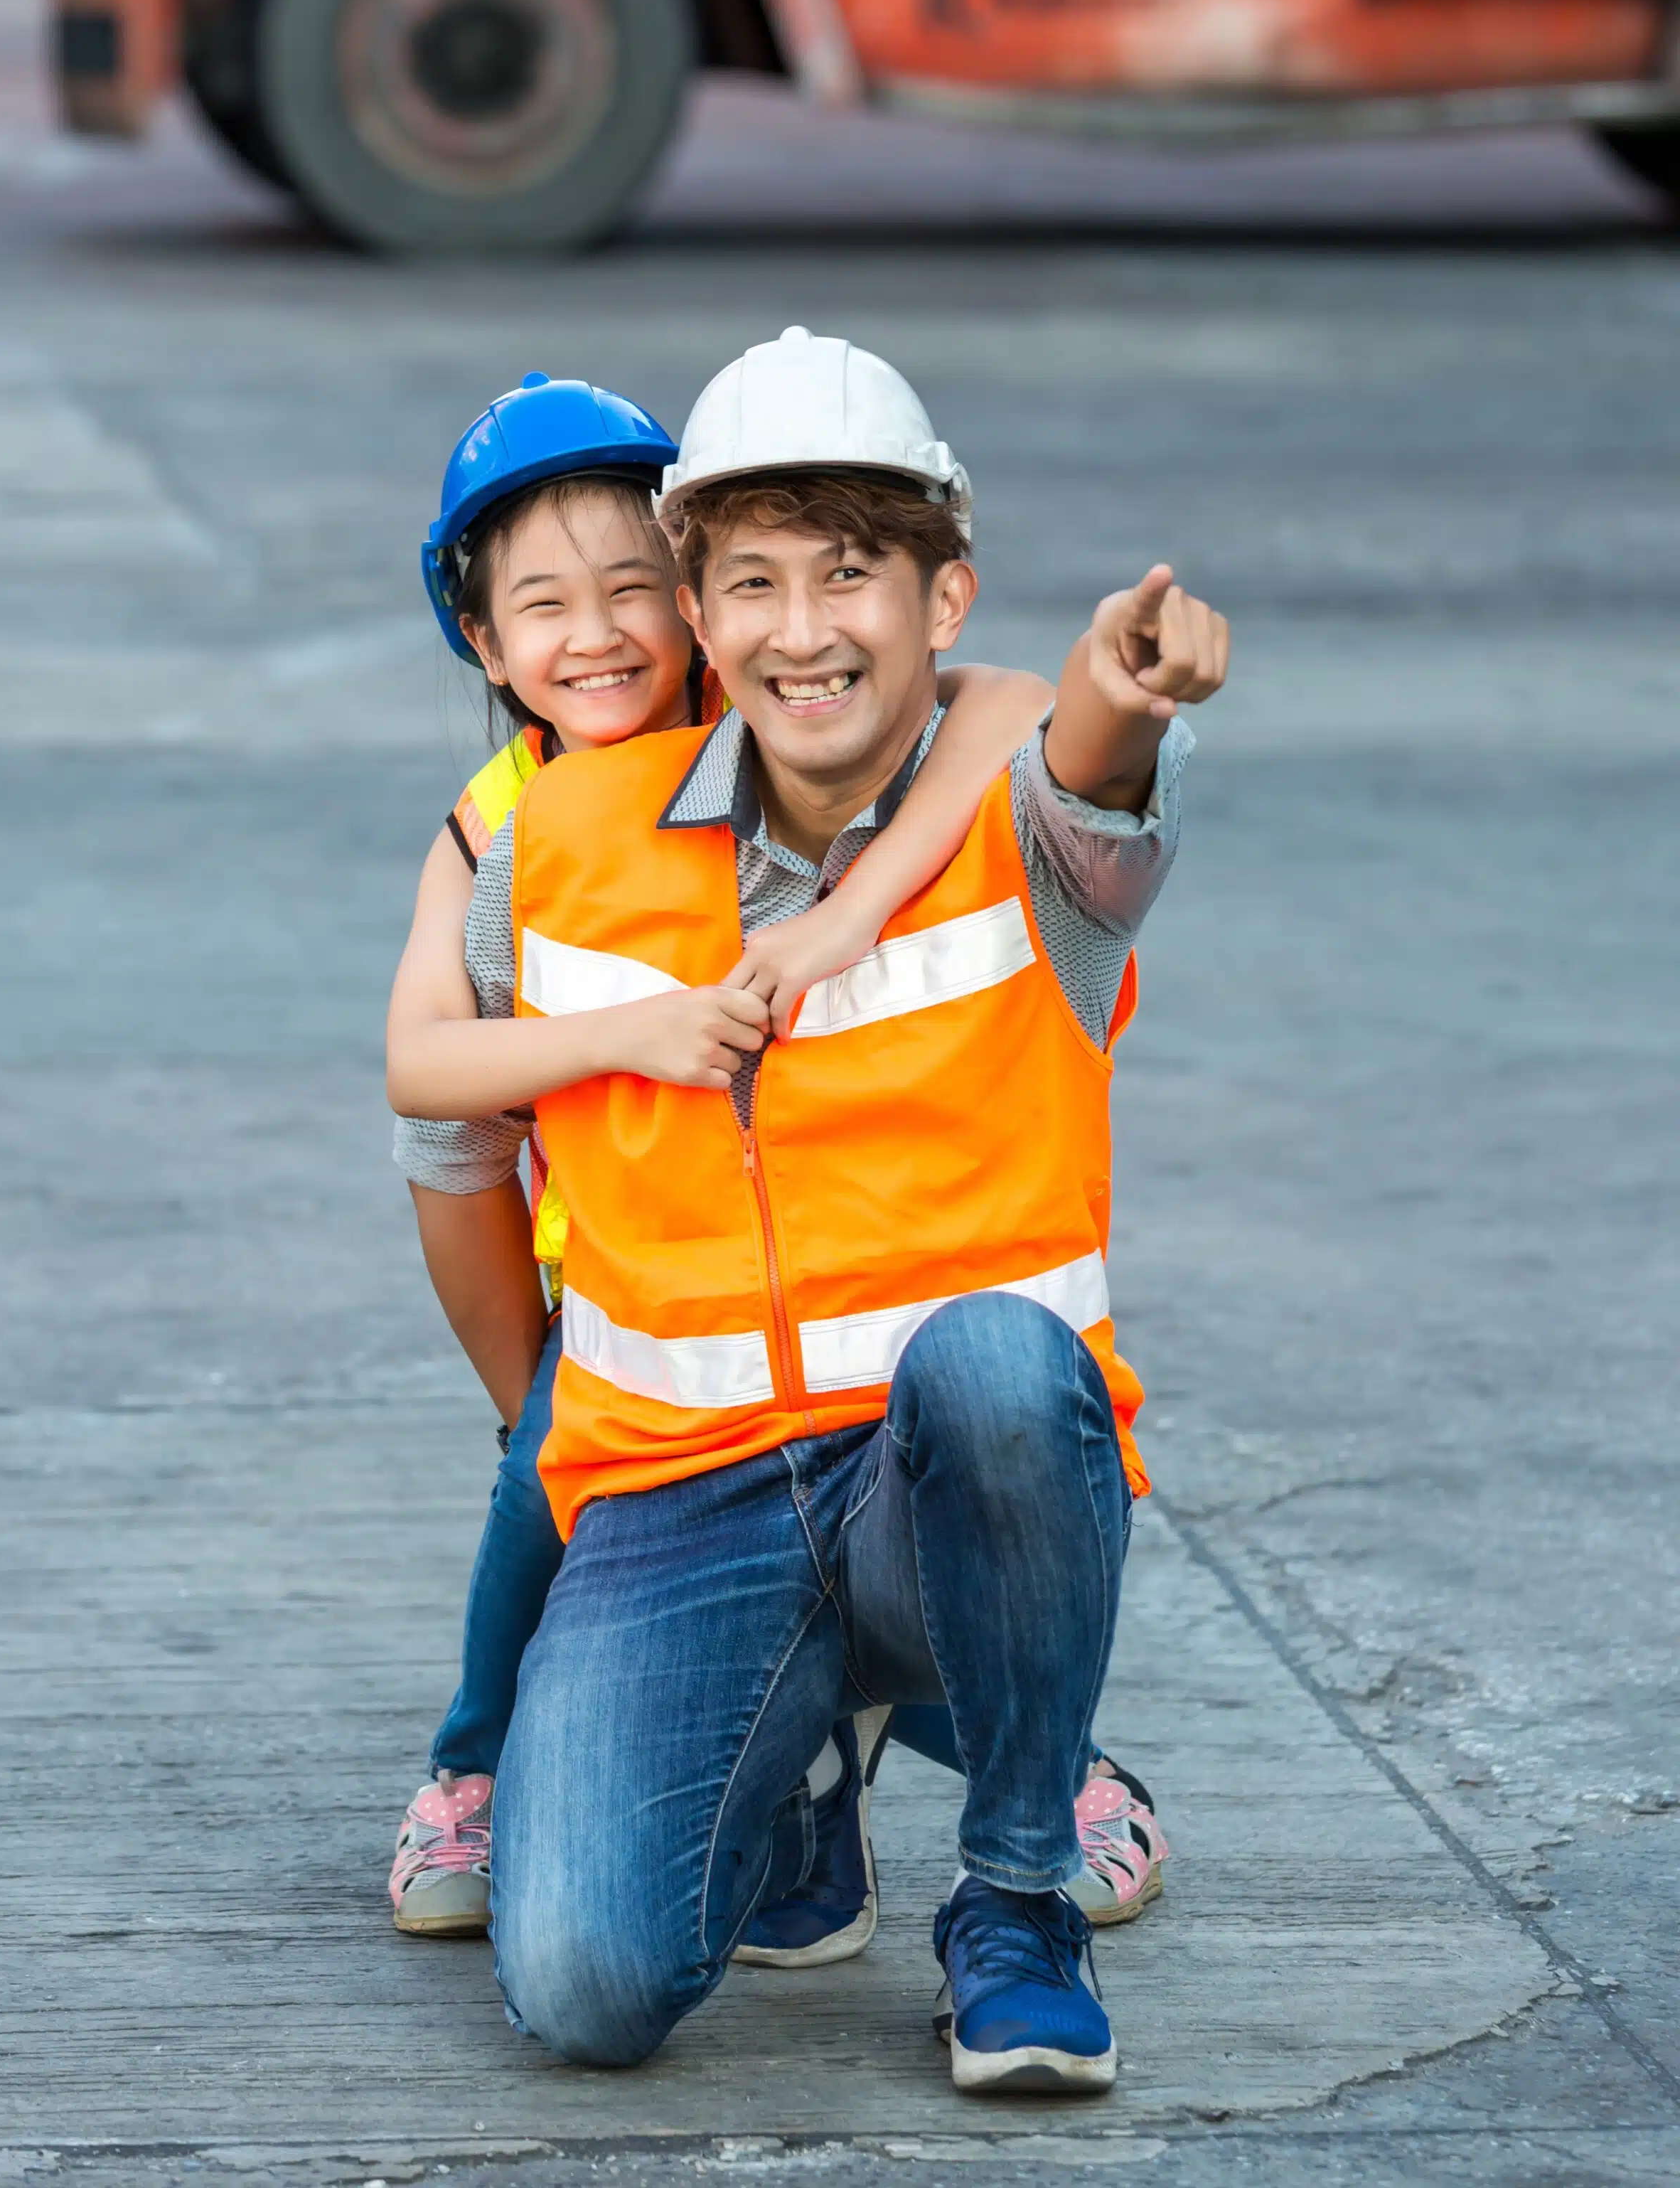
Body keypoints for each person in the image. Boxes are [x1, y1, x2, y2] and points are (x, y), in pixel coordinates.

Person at [459, 329, 1229, 2091]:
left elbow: (1091, 745)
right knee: (582, 1988)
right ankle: (798, 1763)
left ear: (941, 596)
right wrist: (539, 1432)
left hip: (939, 1474)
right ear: (700, 619)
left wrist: (1135, 678)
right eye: (751, 583)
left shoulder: (1032, 827)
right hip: (676, 1507)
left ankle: (1015, 1898)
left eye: (848, 575)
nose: (800, 629)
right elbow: (454, 1149)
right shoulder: (560, 841)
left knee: (997, 1368)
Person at [380, 368, 1098, 1943]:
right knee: (543, 1484)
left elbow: (1005, 702)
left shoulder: (785, 717)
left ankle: (1047, 1776)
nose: (597, 636)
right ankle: (479, 1761)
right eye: (543, 607)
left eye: (634, 589)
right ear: (482, 644)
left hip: (849, 1337)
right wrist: (535, 1395)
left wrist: (848, 909)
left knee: (918, 1498)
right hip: (634, 1329)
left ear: (693, 607)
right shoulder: (501, 824)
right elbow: (426, 1086)